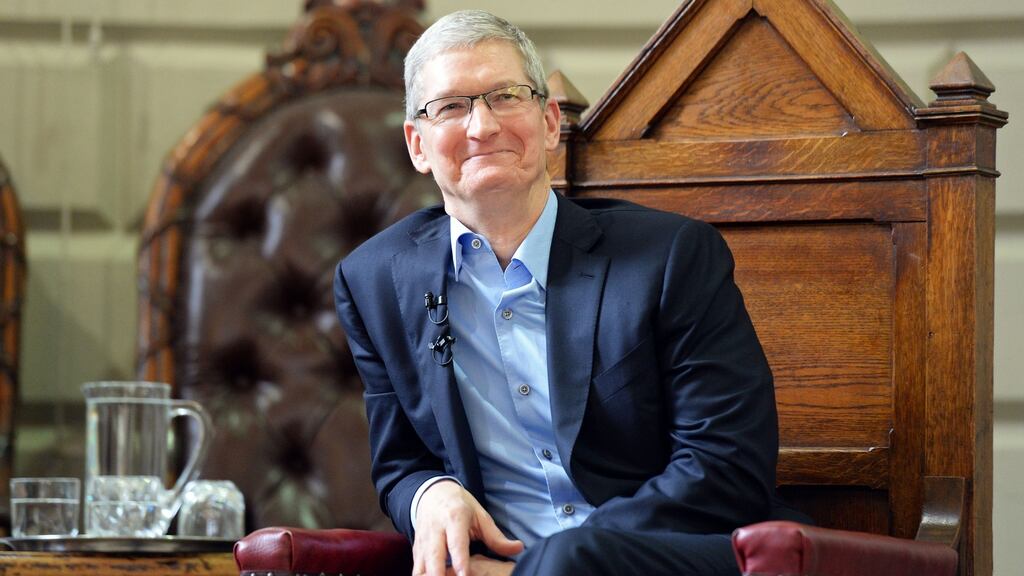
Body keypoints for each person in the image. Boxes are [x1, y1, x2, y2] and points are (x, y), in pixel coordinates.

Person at [334, 10, 784, 576]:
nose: (481, 126)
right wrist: (430, 495)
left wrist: (547, 566)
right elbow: (400, 463)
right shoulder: (374, 280)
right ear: (417, 145)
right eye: (450, 107)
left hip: (665, 557)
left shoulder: (671, 257)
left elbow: (727, 468)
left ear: (549, 123)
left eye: (505, 96)